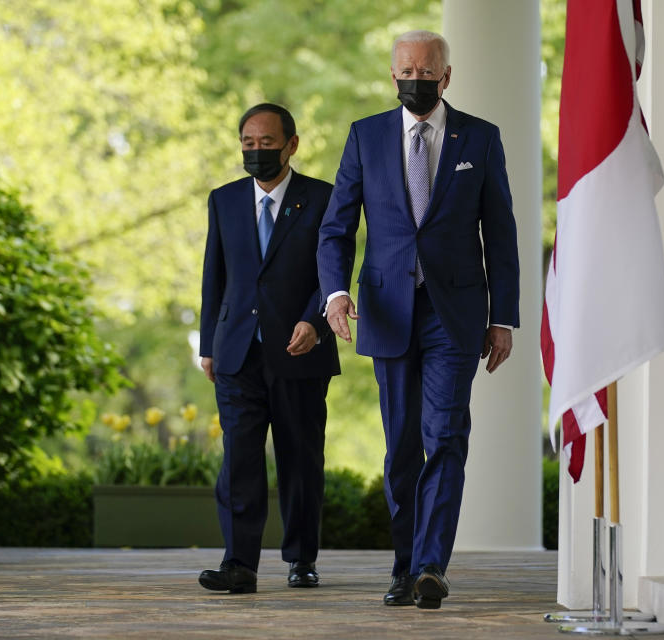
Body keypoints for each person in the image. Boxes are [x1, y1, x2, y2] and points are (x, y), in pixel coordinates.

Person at [317, 30, 519, 609]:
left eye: (425, 71)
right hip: (385, 310)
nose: (415, 79)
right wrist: (333, 293)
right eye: (405, 70)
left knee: (447, 436)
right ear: (392, 75)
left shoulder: (480, 138)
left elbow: (500, 232)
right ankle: (404, 566)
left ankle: (432, 566)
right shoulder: (365, 136)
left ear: (446, 76)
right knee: (402, 447)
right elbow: (337, 227)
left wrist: (503, 316)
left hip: (454, 315)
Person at [198, 103, 339, 594]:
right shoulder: (223, 200)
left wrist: (315, 322)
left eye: (267, 143)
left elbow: (334, 268)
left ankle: (302, 560)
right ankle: (239, 563)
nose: (257, 152)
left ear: (292, 144)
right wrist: (208, 344)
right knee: (239, 459)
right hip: (237, 352)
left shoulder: (323, 198)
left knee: (300, 461)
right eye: (248, 144)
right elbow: (214, 275)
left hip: (300, 351)